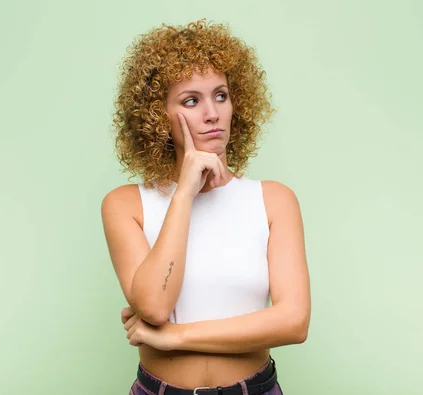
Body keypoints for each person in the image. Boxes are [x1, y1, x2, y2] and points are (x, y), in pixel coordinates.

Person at [101, 19, 311, 395]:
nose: (212, 114)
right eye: (191, 101)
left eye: (221, 95)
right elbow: (152, 306)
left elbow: (293, 323)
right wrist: (183, 193)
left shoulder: (274, 200)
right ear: (157, 115)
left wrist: (174, 338)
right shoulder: (125, 204)